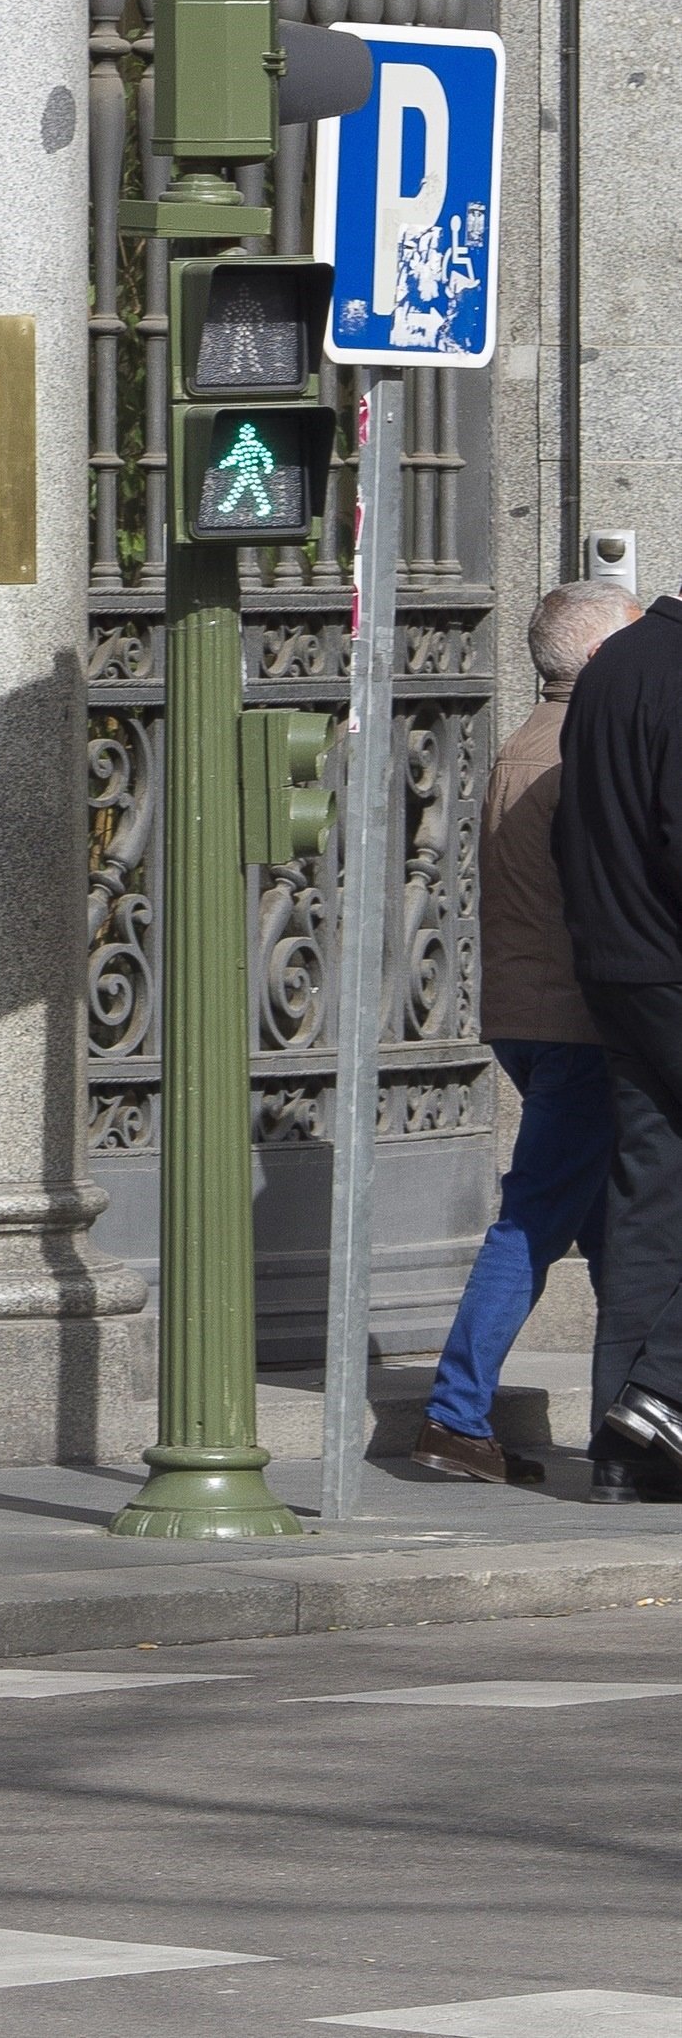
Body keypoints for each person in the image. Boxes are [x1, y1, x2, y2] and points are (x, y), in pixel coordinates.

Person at [414, 580, 635, 1486]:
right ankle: (452, 1413)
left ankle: (631, 1421)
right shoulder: (586, 749)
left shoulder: (519, 743)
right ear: (594, 657)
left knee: (617, 1230)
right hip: (577, 1022)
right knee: (533, 1221)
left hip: (521, 1015)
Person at [552, 572, 682, 1493]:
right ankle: (662, 1388)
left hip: (615, 967)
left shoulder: (608, 667)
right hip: (670, 963)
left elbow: (574, 830)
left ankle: (621, 1452)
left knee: (650, 1193)